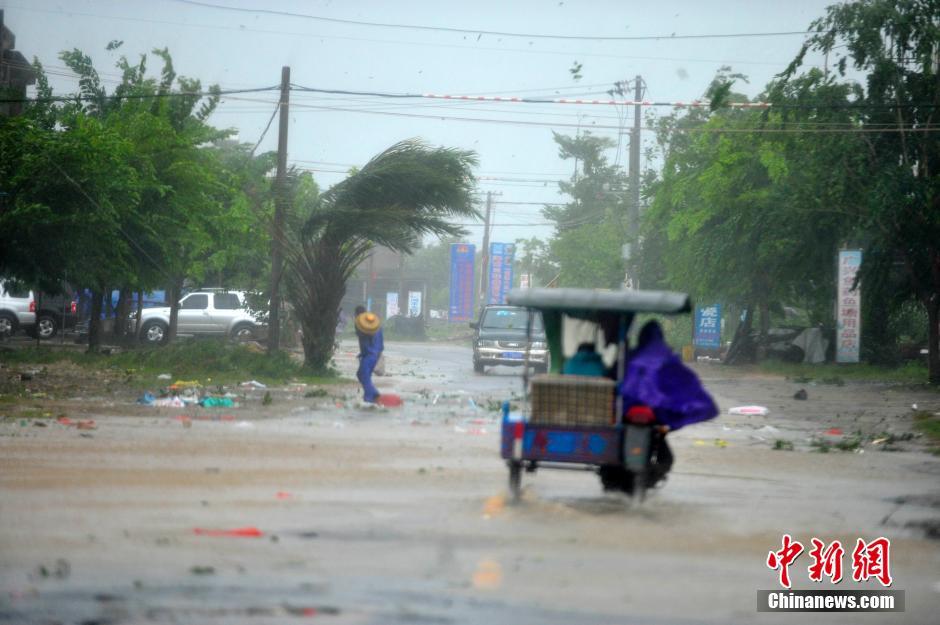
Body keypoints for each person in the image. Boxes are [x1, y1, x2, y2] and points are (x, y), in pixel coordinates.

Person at [354, 305, 384, 403]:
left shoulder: (362, 327)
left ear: (357, 315)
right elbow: (380, 345)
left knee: (363, 374)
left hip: (369, 356)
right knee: (362, 374)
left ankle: (372, 394)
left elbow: (361, 335)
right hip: (374, 355)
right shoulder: (376, 326)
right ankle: (369, 396)